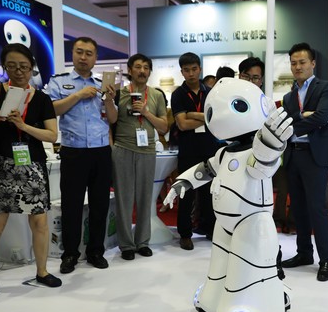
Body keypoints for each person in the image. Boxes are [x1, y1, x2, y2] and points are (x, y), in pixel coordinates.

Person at [0, 43, 61, 298]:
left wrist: (24, 126)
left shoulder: (42, 98)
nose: (19, 71)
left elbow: (51, 134)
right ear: (5, 66)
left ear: (32, 68)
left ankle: (42, 271)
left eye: (24, 66)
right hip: (2, 164)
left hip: (32, 165)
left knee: (40, 223)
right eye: (12, 66)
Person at [45, 37, 117, 274]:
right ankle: (70, 254)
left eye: (89, 53)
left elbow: (113, 119)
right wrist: (78, 95)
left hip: (100, 151)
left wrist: (109, 100)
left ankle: (96, 251)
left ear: (96, 58)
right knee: (71, 205)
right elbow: (51, 109)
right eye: (79, 52)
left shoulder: (101, 83)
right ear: (72, 54)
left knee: (99, 204)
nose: (84, 57)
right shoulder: (59, 81)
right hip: (73, 151)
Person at [279, 43, 328, 282]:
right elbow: (311, 119)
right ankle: (304, 253)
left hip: (314, 156)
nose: (297, 67)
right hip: (293, 154)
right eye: (294, 63)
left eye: (302, 62)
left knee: (317, 208)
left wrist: (300, 119)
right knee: (297, 208)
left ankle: (326, 259)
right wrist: (307, 116)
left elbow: (322, 116)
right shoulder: (288, 96)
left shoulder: (326, 87)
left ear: (313, 63)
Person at [112, 54, 167, 260]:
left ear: (149, 71)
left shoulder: (156, 96)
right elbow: (110, 120)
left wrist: (145, 112)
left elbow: (163, 126)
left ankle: (142, 241)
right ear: (130, 69)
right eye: (137, 67)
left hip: (147, 150)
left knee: (145, 197)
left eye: (146, 67)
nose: (142, 71)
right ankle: (126, 244)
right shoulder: (119, 93)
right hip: (123, 149)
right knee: (124, 199)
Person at [170, 52, 219, 250]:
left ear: (200, 68)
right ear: (182, 72)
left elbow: (216, 120)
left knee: (210, 192)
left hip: (210, 148)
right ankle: (185, 234)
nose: (191, 73)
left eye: (194, 69)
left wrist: (192, 114)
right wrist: (203, 117)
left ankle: (209, 228)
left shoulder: (210, 92)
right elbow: (181, 124)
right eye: (186, 70)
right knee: (186, 192)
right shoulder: (178, 94)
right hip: (188, 150)